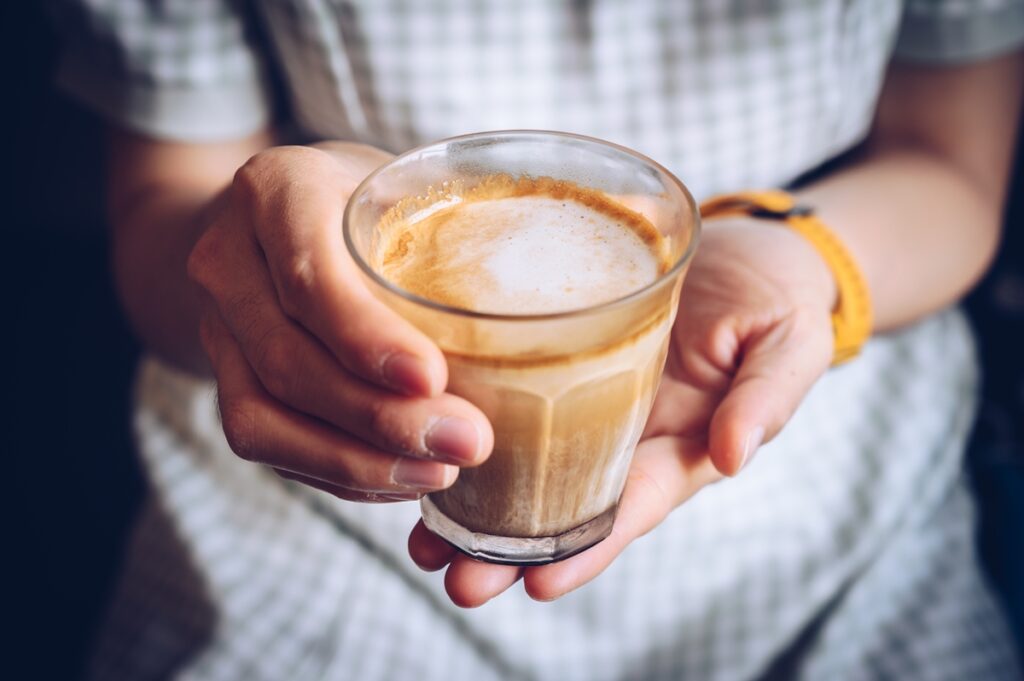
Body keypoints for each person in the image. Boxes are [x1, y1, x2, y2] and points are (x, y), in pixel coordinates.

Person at [50, 1, 1024, 679]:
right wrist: (262, 287)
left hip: (824, 467)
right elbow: (166, 201)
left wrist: (798, 258)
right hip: (315, 496)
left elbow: (949, 165)